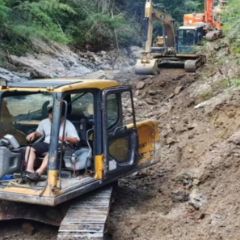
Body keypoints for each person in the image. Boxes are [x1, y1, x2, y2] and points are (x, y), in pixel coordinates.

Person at [25, 107, 79, 181]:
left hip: (61, 144)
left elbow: (76, 140)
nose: (52, 121)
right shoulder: (44, 122)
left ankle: (38, 172)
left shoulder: (68, 124)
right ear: (49, 115)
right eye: (50, 119)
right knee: (29, 148)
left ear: (62, 118)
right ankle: (29, 171)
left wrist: (66, 138)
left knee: (52, 151)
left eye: (54, 120)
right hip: (47, 143)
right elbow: (39, 133)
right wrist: (34, 134)